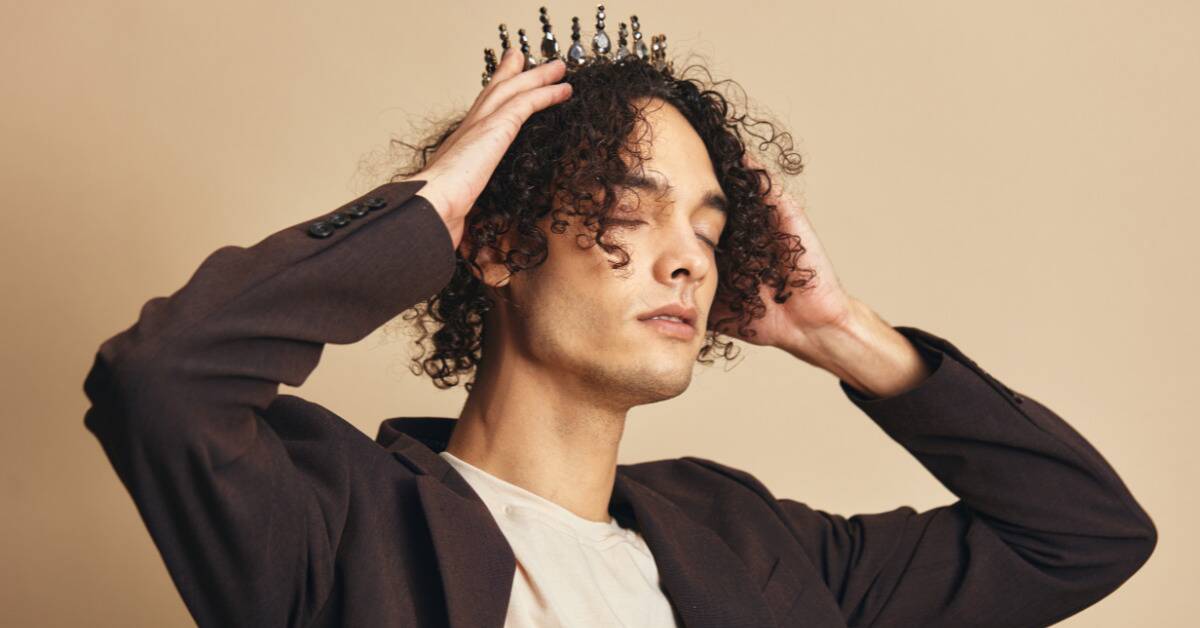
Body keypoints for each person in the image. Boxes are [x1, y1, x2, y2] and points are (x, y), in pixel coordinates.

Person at [82, 13, 1156, 628]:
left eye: (707, 223)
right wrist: (429, 208)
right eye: (626, 213)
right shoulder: (341, 528)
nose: (687, 254)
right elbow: (159, 380)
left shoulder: (760, 549)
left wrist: (841, 333)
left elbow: (1082, 535)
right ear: (499, 245)